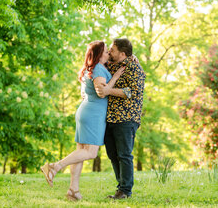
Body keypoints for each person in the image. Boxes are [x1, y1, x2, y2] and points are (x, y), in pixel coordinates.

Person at [40, 41, 125, 201]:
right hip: (93, 114)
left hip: (86, 111)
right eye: (106, 52)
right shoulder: (99, 69)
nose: (108, 54)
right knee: (90, 152)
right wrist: (116, 76)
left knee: (80, 152)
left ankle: (73, 190)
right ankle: (54, 167)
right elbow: (102, 93)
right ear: (99, 55)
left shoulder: (91, 68)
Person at [96, 38, 145, 199]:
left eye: (113, 49)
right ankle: (121, 188)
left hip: (126, 118)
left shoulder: (134, 67)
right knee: (112, 154)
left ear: (123, 53)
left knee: (124, 155)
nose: (110, 51)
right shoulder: (112, 64)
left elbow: (133, 91)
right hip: (110, 117)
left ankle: (125, 190)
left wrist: (109, 91)